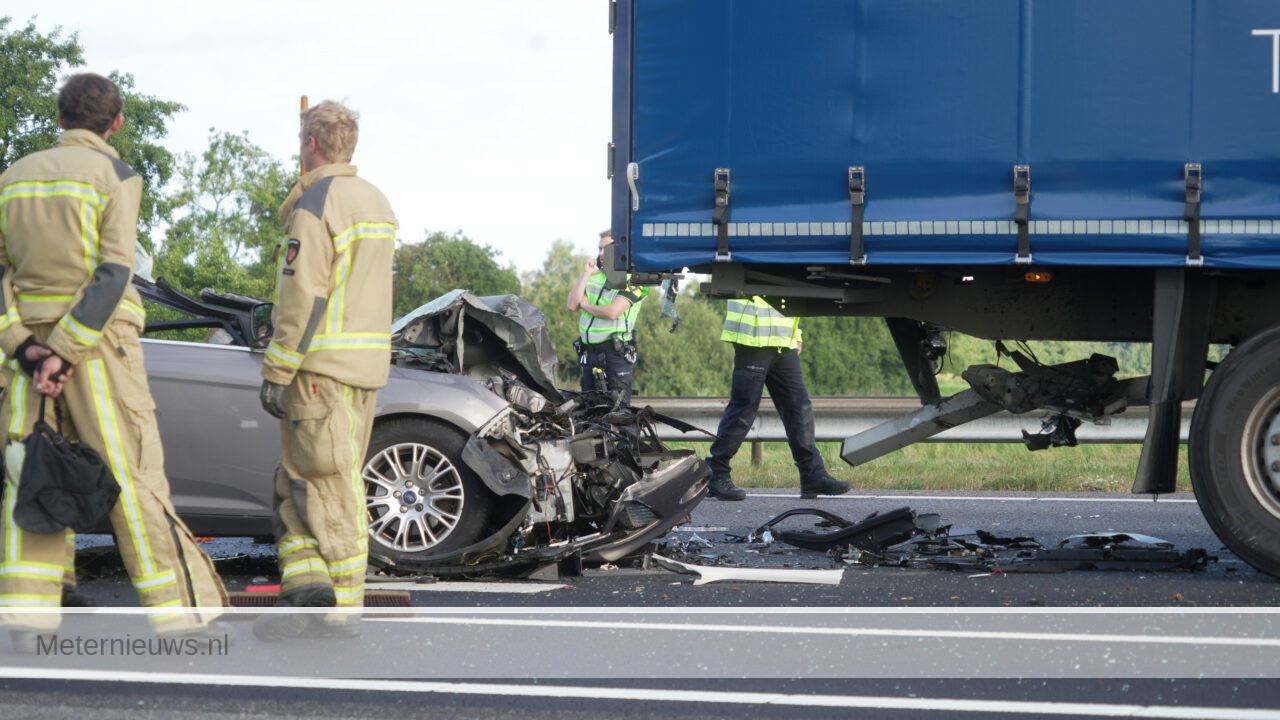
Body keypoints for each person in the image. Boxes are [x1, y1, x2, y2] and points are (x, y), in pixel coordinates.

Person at [0, 73, 228, 651]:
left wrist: (25, 348)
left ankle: (27, 617)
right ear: (116, 123)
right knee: (133, 472)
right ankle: (181, 619)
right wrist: (66, 351)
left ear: (59, 118)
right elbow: (114, 271)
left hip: (27, 356)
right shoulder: (117, 176)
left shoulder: (12, 178)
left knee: (31, 472)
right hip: (96, 347)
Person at [254, 100, 396, 641]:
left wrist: (278, 368)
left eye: (301, 141)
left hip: (320, 370)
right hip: (363, 367)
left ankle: (340, 611)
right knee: (298, 484)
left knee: (327, 488)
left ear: (310, 144)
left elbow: (302, 297)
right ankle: (307, 593)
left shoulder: (316, 204)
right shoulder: (376, 201)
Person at [706, 296, 851, 501]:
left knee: (798, 408)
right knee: (744, 407)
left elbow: (789, 294)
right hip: (753, 337)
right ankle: (716, 473)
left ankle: (812, 474)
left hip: (783, 341)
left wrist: (796, 334)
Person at [566, 230, 649, 407]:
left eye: (607, 249)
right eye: (599, 249)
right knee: (588, 411)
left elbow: (613, 312)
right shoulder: (594, 277)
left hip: (615, 354)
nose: (601, 254)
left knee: (619, 413)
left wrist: (585, 305)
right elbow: (572, 304)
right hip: (589, 354)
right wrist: (586, 274)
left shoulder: (634, 279)